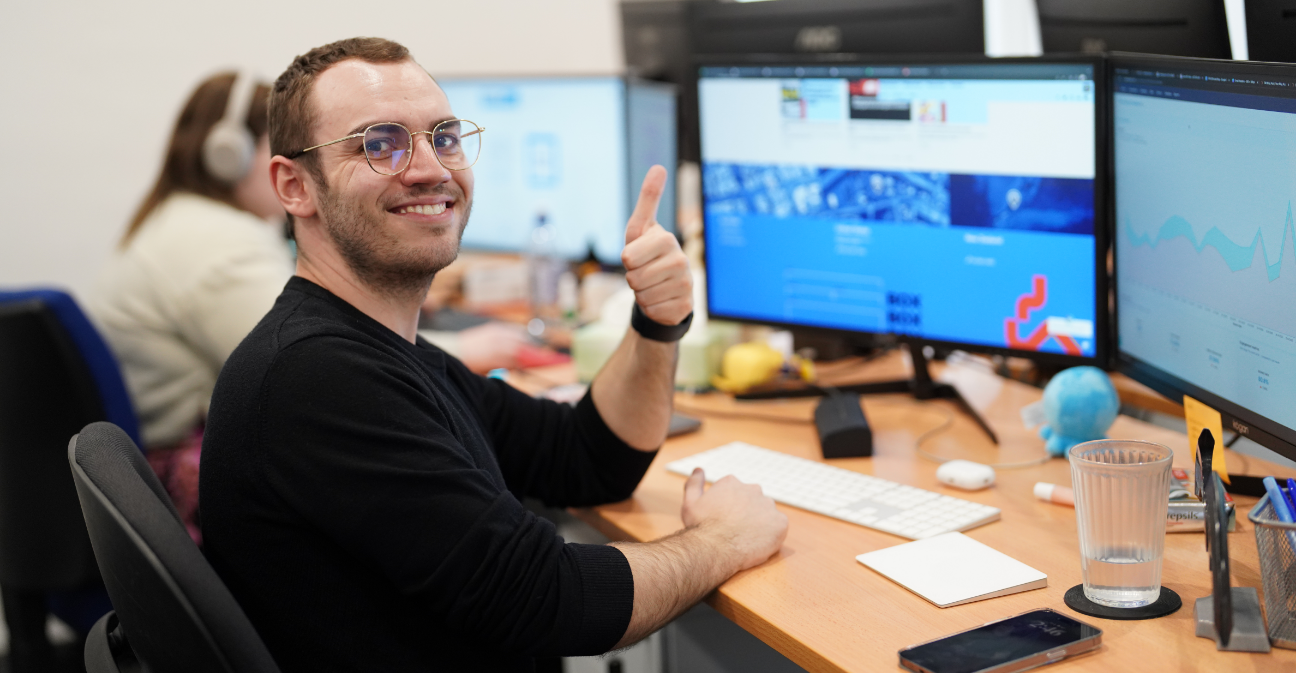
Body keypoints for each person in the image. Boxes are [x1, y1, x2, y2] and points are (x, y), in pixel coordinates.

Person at [200, 37, 787, 672]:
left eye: (444, 137)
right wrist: (726, 539)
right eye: (379, 144)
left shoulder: (384, 351)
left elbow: (588, 460)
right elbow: (551, 600)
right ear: (294, 186)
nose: (430, 169)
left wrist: (656, 321)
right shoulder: (314, 377)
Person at [91, 72, 292, 542]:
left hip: (147, 470)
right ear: (229, 155)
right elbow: (305, 368)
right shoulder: (217, 242)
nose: (296, 167)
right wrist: (453, 346)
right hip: (181, 482)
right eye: (281, 147)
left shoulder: (181, 219)